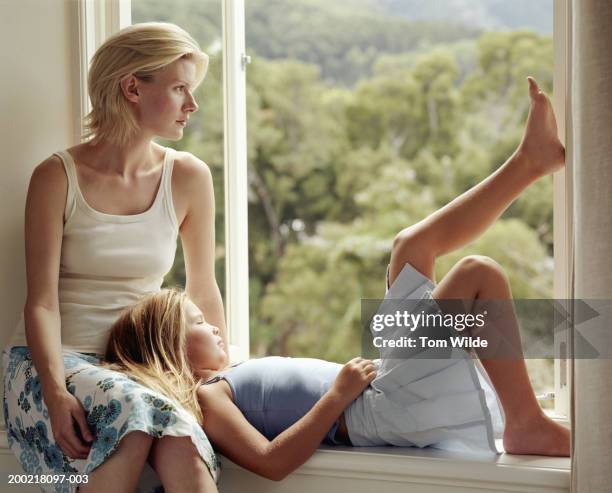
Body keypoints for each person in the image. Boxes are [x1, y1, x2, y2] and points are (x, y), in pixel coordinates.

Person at [104, 76, 569, 482]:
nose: (213, 325)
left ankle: (530, 163)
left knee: (448, 263)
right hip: (379, 407)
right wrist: (338, 395)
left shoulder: (229, 377)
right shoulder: (209, 398)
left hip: (386, 389)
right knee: (465, 271)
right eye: (198, 324)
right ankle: (525, 419)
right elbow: (270, 462)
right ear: (171, 348)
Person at [3, 22, 226, 493]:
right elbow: (40, 301)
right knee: (140, 411)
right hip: (49, 365)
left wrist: (218, 378)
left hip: (136, 366)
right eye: (180, 88)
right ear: (131, 88)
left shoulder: (188, 177)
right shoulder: (56, 177)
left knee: (182, 437)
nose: (193, 104)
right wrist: (55, 391)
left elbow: (202, 287)